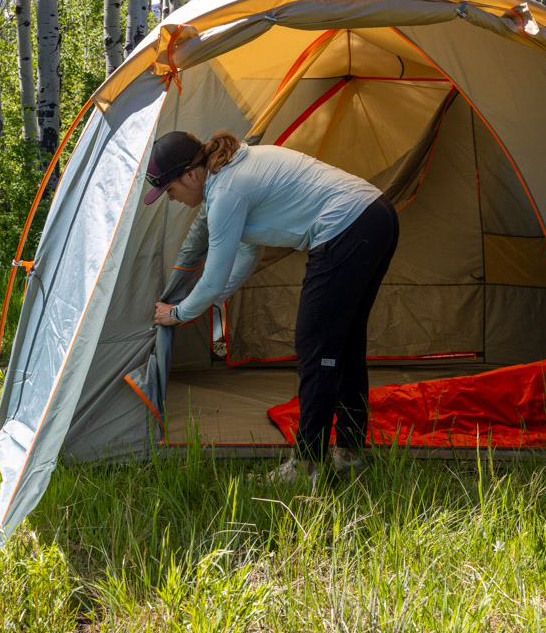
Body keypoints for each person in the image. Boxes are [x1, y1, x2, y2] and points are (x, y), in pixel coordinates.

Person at [146, 130, 399, 482]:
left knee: (315, 346)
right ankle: (350, 452)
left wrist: (177, 313)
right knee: (344, 343)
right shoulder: (231, 172)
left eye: (170, 190)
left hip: (346, 226)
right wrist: (208, 303)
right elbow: (250, 252)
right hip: (376, 215)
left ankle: (307, 463)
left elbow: (213, 276)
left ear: (190, 174)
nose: (172, 199)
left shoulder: (225, 192)